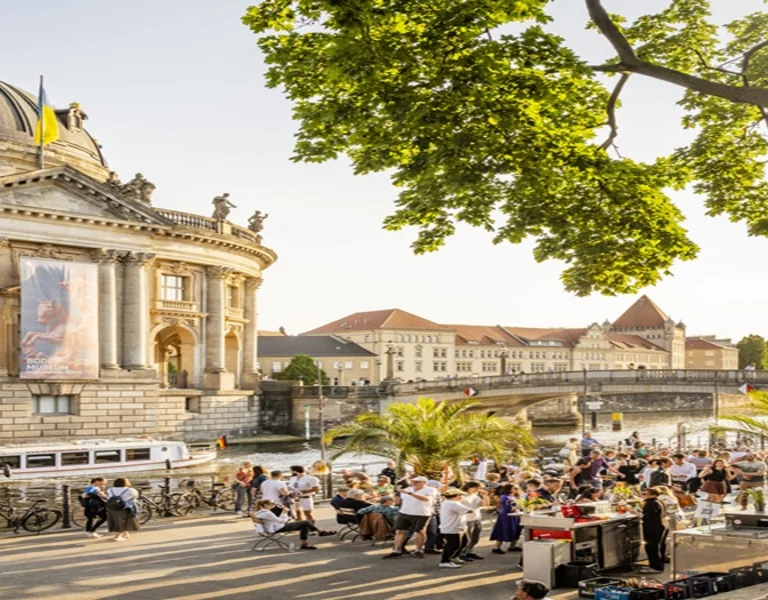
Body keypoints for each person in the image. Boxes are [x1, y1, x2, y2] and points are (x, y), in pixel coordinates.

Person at [383, 476, 438, 559]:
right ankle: (397, 550)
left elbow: (426, 499)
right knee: (400, 531)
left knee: (420, 532)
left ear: (424, 483)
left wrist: (410, 493)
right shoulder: (408, 489)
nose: (414, 483)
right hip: (404, 512)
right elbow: (398, 500)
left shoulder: (430, 490)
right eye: (413, 481)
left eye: (417, 482)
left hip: (421, 514)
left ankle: (418, 550)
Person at [252, 499, 333, 550]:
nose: (274, 505)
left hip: (270, 528)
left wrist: (283, 513)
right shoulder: (267, 513)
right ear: (266, 505)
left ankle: (304, 544)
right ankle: (320, 532)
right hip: (277, 529)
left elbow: (276, 520)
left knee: (305, 526)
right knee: (305, 522)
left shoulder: (260, 512)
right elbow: (280, 521)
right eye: (272, 503)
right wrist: (285, 512)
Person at [438, 488, 471, 569]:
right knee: (453, 545)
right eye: (460, 495)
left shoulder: (448, 502)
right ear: (456, 496)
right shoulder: (453, 504)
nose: (461, 497)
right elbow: (469, 510)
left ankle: (454, 557)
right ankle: (445, 561)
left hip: (457, 526)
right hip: (452, 527)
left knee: (464, 542)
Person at [639, 488, 667, 574]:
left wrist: (635, 513)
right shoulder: (659, 502)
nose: (643, 496)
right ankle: (656, 565)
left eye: (645, 494)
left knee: (652, 547)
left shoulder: (650, 504)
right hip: (660, 526)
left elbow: (648, 517)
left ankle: (656, 566)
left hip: (653, 528)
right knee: (658, 547)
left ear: (653, 495)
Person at [490, 483, 522, 553]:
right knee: (503, 530)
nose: (516, 490)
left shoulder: (513, 496)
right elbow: (510, 508)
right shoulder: (505, 497)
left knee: (516, 530)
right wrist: (521, 505)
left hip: (515, 515)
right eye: (514, 488)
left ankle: (512, 546)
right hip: (507, 516)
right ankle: (496, 548)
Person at [106, 477, 140, 542]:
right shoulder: (130, 490)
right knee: (125, 520)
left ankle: (125, 533)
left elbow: (108, 497)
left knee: (117, 521)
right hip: (124, 507)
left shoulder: (110, 489)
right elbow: (135, 496)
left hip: (112, 507)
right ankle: (117, 537)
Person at [460, 481, 486, 561]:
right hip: (467, 519)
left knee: (476, 537)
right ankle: (463, 553)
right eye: (476, 488)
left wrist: (485, 496)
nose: (477, 490)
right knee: (468, 537)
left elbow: (484, 504)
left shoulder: (475, 495)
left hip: (476, 517)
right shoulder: (462, 496)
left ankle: (469, 551)